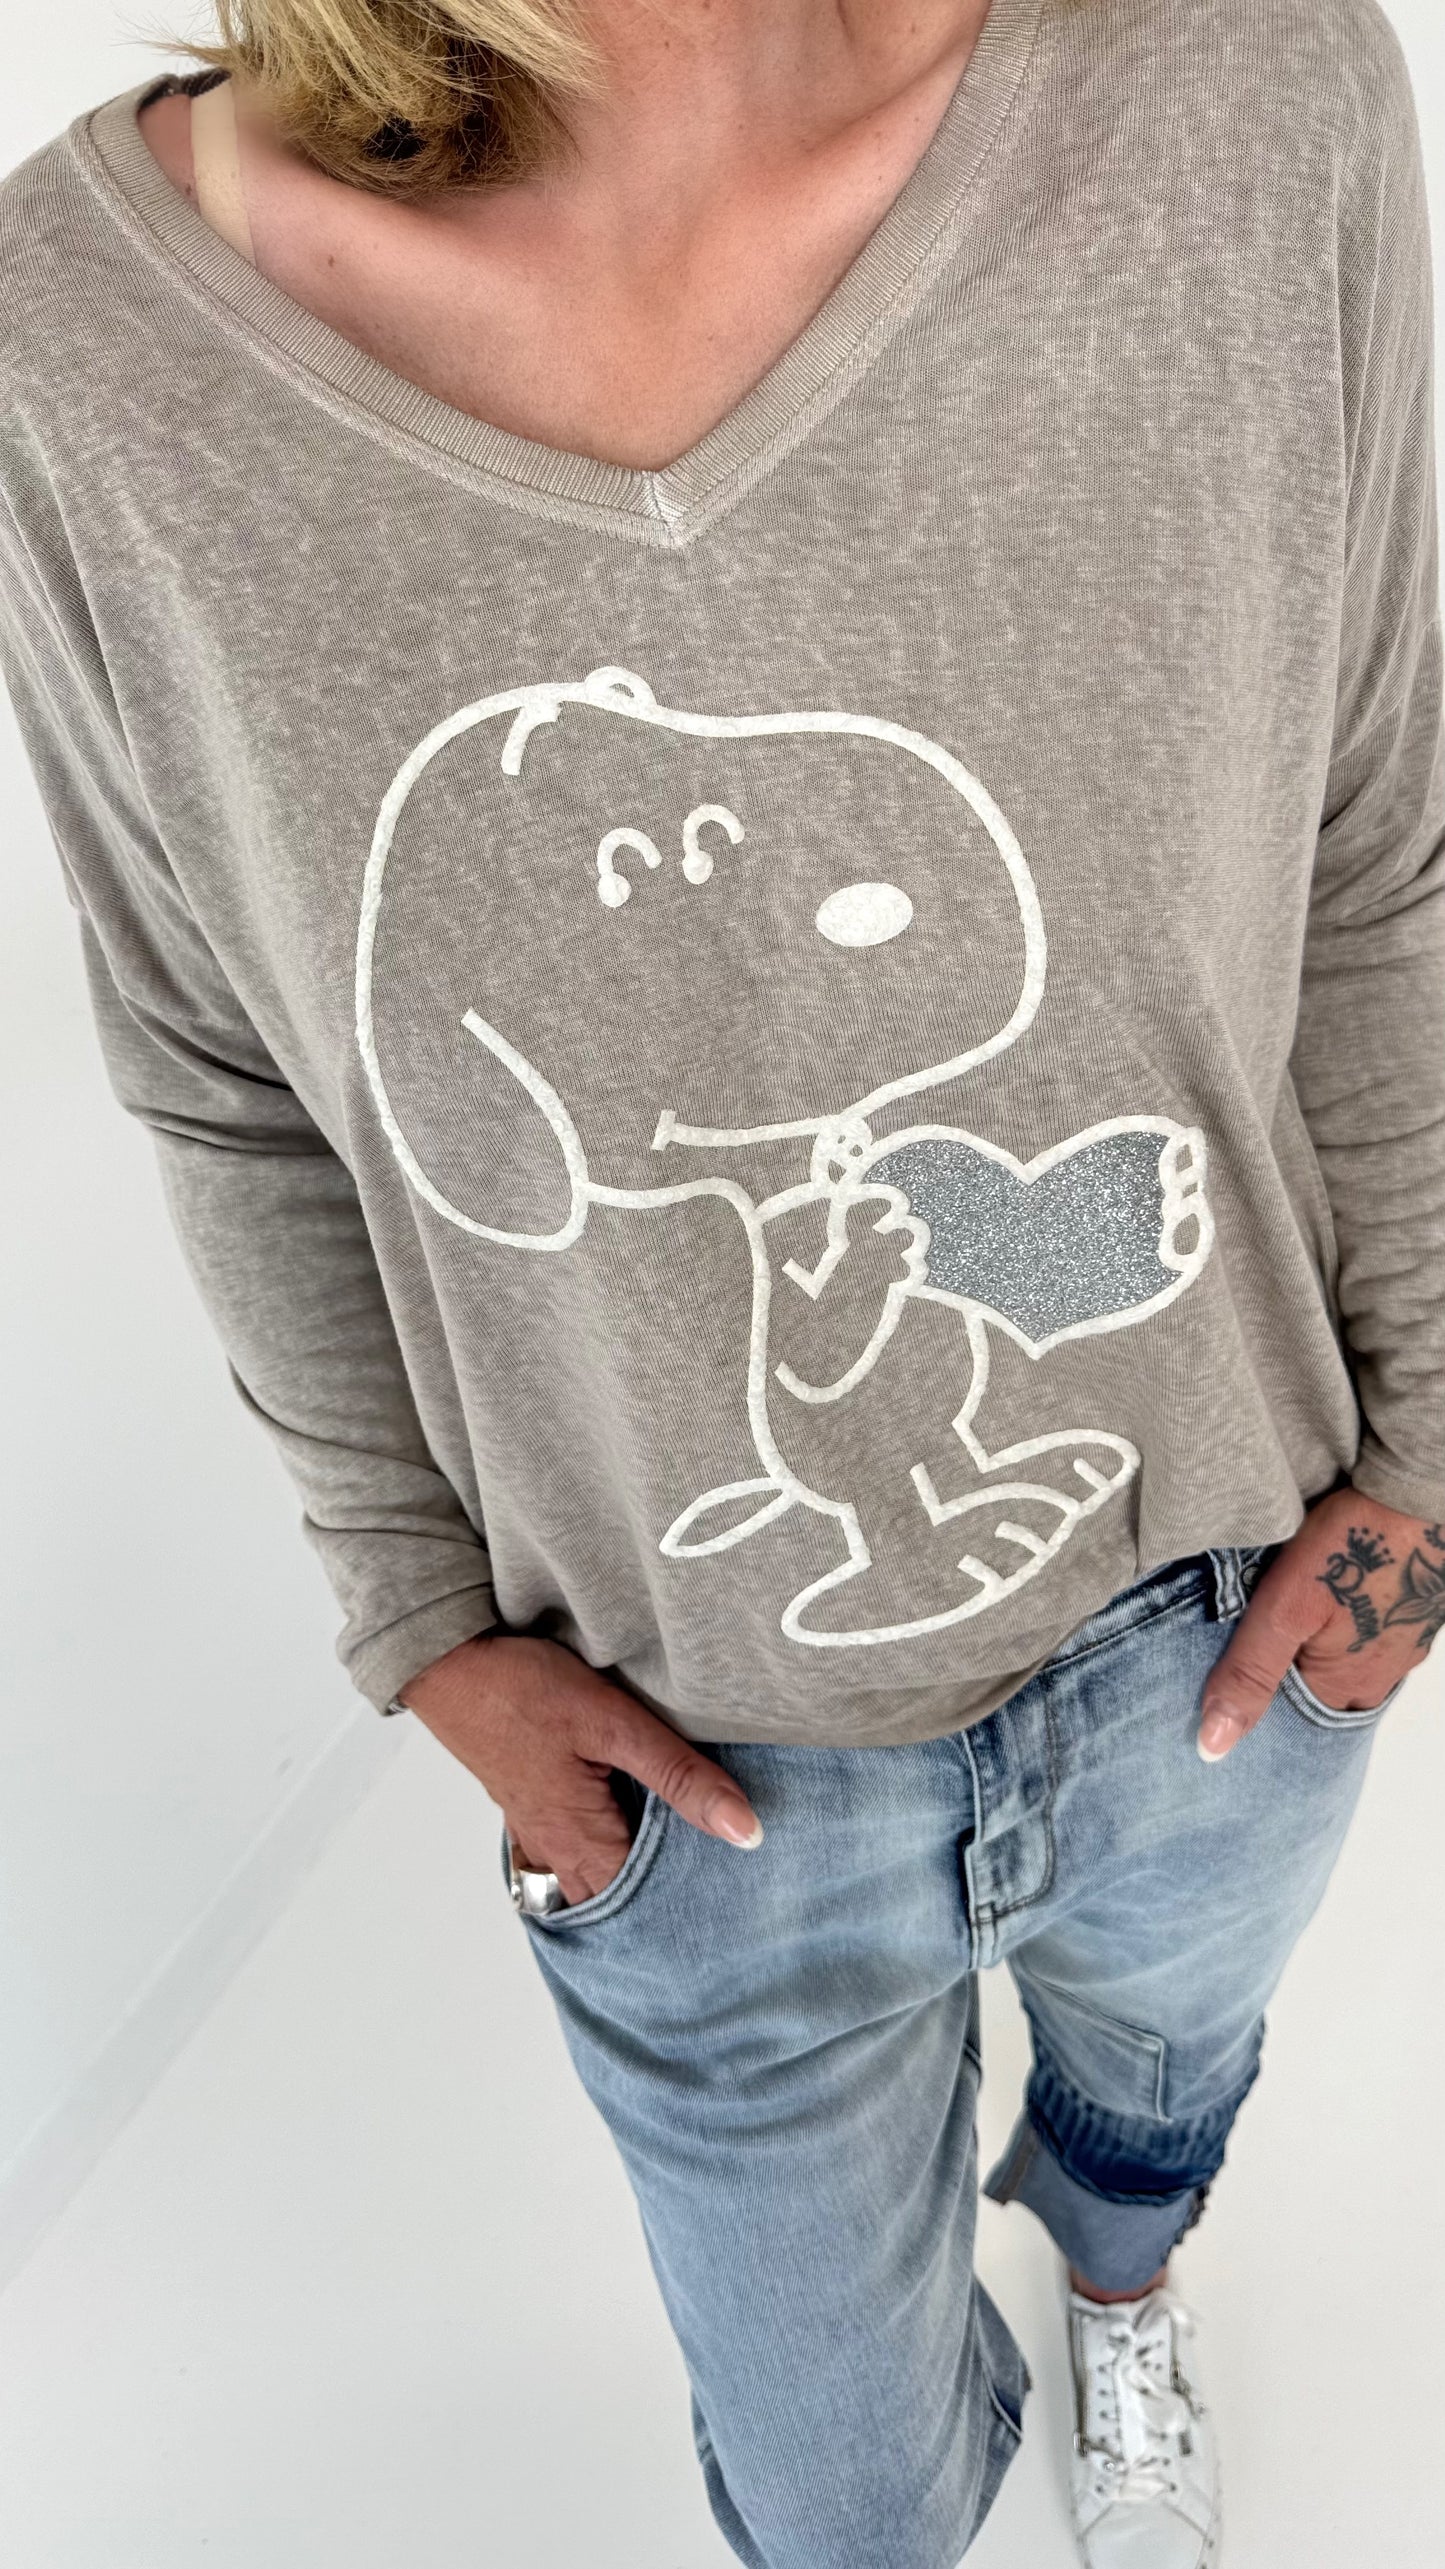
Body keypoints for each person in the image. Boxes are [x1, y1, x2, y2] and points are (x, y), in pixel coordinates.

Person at [1, 0, 1441, 2559]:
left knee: (1160, 2087)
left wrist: (1426, 1467)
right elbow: (231, 1067)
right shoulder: (83, 346)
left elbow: (1372, 851)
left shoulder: (1251, 90)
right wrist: (415, 1619)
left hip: (1228, 1610)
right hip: (690, 1755)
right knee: (841, 2502)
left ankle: (1121, 2279)